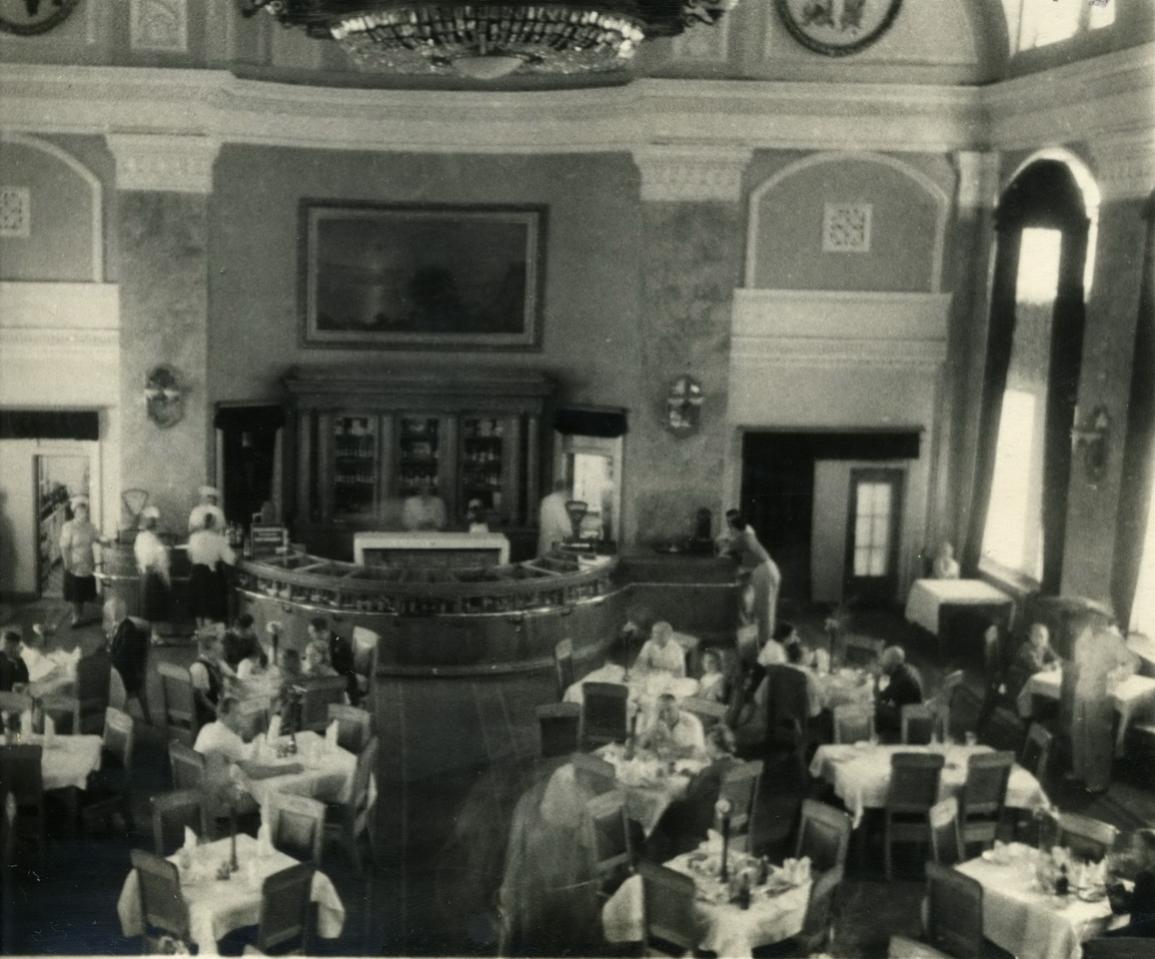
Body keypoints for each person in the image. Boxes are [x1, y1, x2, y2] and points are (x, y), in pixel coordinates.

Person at [647, 724, 739, 860]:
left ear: (716, 747)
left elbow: (691, 795)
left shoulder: (710, 771)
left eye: (708, 743)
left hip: (708, 822)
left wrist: (695, 778)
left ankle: (656, 855)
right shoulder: (739, 765)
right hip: (730, 819)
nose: (706, 747)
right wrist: (696, 775)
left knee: (668, 809)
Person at [1067, 618, 1138, 794]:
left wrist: (1116, 675)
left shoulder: (1113, 639)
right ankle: (1080, 773)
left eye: (1098, 617)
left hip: (1100, 693)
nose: (1094, 620)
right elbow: (1079, 659)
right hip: (1082, 689)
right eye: (1091, 616)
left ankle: (1099, 781)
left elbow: (1134, 662)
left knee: (1097, 737)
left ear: (1105, 619)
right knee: (1079, 731)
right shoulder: (1085, 634)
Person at [721, 510, 781, 648]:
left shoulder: (743, 537)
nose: (730, 529)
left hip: (764, 570)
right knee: (762, 608)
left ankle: (765, 643)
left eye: (731, 526)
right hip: (768, 569)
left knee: (763, 609)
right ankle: (761, 641)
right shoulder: (746, 535)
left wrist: (726, 544)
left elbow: (723, 551)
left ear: (734, 528)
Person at [186, 514, 236, 628]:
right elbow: (231, 559)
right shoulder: (218, 539)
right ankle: (207, 634)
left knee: (198, 609)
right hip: (210, 575)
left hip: (195, 573)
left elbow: (189, 556)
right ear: (214, 525)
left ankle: (200, 632)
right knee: (209, 611)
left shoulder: (193, 537)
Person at [1104, 828, 1155, 938]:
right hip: (1147, 936)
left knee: (1092, 938)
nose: (1132, 853)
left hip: (1143, 941)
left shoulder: (1147, 876)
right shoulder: (1148, 875)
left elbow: (1122, 908)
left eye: (1135, 847)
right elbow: (1137, 902)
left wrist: (1112, 879)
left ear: (1150, 851)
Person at [59, 495, 100, 627]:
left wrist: (108, 540)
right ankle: (76, 617)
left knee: (83, 589)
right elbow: (64, 546)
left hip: (87, 561)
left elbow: (99, 537)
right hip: (74, 562)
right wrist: (67, 562)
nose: (83, 513)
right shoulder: (69, 526)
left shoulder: (90, 526)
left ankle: (80, 614)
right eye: (80, 510)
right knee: (75, 590)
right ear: (74, 511)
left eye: (85, 510)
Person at [105, 597, 149, 720]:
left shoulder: (128, 630)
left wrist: (106, 661)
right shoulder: (121, 627)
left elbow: (122, 658)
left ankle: (111, 718)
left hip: (128, 676)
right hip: (121, 670)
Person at [133, 506, 170, 643]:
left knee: (145, 606)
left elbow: (138, 554)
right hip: (154, 575)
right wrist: (167, 581)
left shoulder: (139, 537)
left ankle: (147, 635)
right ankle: (154, 635)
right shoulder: (155, 541)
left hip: (144, 574)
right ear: (154, 525)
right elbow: (162, 562)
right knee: (153, 608)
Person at [875, 645, 923, 735]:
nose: (882, 664)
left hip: (907, 721)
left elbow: (882, 698)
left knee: (875, 710)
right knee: (880, 709)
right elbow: (886, 695)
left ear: (892, 662)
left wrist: (876, 679)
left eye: (885, 660)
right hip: (913, 715)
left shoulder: (902, 678)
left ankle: (877, 738)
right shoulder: (906, 671)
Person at [640, 693, 704, 760]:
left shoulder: (691, 722)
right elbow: (640, 744)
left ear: (678, 708)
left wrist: (667, 738)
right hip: (663, 762)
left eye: (669, 710)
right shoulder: (655, 719)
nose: (665, 715)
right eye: (661, 711)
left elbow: (695, 753)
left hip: (689, 762)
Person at [189, 631, 232, 729]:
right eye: (217, 652)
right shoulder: (199, 668)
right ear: (207, 652)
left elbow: (228, 679)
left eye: (220, 652)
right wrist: (217, 710)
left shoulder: (215, 663)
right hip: (206, 713)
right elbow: (200, 697)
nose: (220, 656)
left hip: (216, 706)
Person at [308, 617, 357, 702]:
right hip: (335, 679)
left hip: (344, 685)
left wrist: (320, 664)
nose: (310, 637)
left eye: (311, 633)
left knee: (311, 688)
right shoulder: (326, 642)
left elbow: (342, 672)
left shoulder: (340, 645)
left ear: (321, 632)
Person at [193, 695, 253, 763]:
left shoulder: (206, 727)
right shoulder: (232, 740)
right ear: (224, 715)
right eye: (237, 714)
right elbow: (246, 762)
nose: (241, 718)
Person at [1007, 622, 1059, 696]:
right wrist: (1051, 666)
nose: (1040, 639)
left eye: (1043, 636)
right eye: (1036, 636)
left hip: (1031, 675)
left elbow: (1056, 658)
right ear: (1030, 637)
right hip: (1019, 678)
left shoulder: (1044, 646)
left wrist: (1056, 662)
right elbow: (1035, 667)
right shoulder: (1027, 648)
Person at [784, 639, 823, 719]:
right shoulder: (807, 673)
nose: (810, 655)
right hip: (807, 716)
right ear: (799, 658)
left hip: (783, 715)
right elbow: (821, 695)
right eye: (807, 653)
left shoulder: (779, 670)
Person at [537, 478, 572, 556]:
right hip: (554, 545)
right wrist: (573, 534)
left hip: (545, 541)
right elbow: (565, 527)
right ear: (566, 490)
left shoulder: (546, 500)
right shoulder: (558, 502)